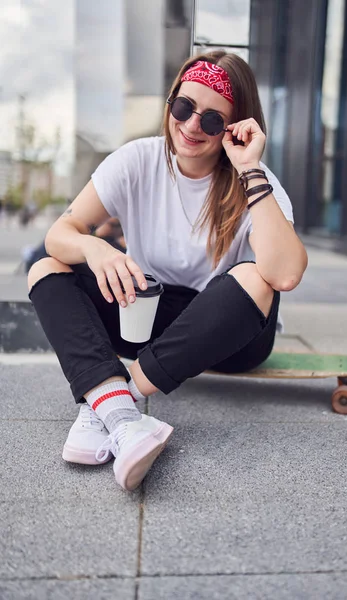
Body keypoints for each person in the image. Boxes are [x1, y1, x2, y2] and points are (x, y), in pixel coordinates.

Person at [28, 51, 308, 492]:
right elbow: (60, 233)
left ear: (236, 127)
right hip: (143, 320)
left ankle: (115, 396)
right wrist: (94, 247)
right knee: (48, 266)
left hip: (225, 337)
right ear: (171, 103)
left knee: (257, 277)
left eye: (214, 120)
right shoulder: (138, 160)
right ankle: (123, 418)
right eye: (184, 107)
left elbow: (286, 273)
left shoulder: (256, 181)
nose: (193, 125)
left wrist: (250, 168)